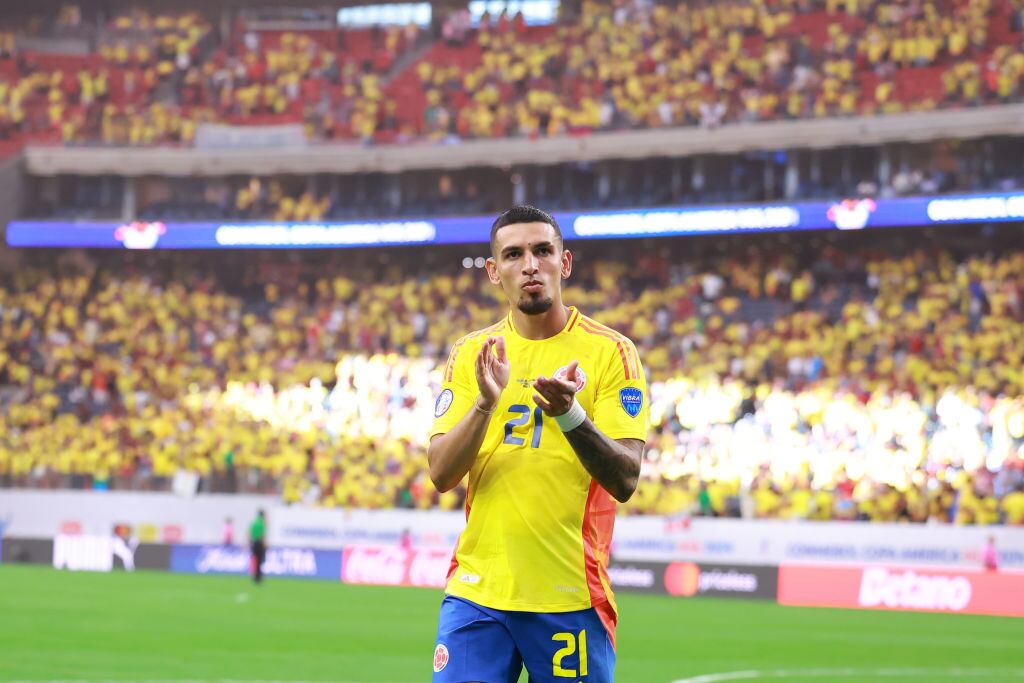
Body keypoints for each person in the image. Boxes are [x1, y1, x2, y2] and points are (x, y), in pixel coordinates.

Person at [427, 205, 649, 682]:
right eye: (513, 254)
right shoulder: (472, 354)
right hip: (477, 595)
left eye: (542, 250)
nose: (530, 264)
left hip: (569, 597)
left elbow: (626, 477)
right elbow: (441, 474)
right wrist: (485, 404)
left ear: (563, 263)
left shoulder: (611, 352)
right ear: (494, 271)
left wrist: (570, 415)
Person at [249, 509, 267, 584]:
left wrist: (250, 542)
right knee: (260, 560)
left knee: (254, 559)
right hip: (259, 543)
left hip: (253, 542)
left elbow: (249, 533)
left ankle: (254, 576)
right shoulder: (262, 523)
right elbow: (262, 535)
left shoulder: (254, 522)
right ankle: (258, 577)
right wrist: (264, 544)